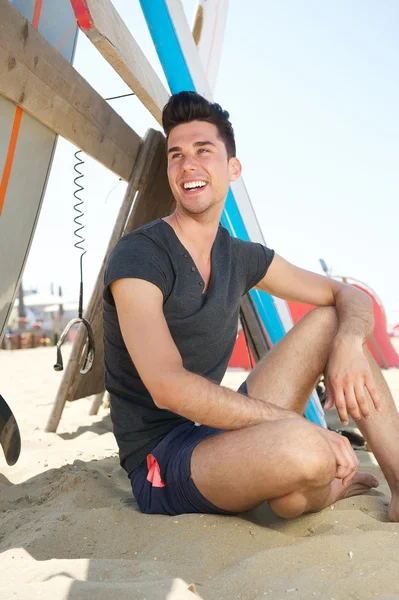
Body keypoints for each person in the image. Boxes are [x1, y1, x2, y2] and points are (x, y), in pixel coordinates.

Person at [103, 91, 399, 521]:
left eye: (204, 151)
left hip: (217, 432)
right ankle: (315, 484)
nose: (188, 165)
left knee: (331, 320)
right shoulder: (140, 256)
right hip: (163, 459)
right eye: (176, 155)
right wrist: (291, 423)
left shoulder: (239, 256)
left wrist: (350, 343)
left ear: (233, 169)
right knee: (307, 451)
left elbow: (347, 295)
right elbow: (168, 387)